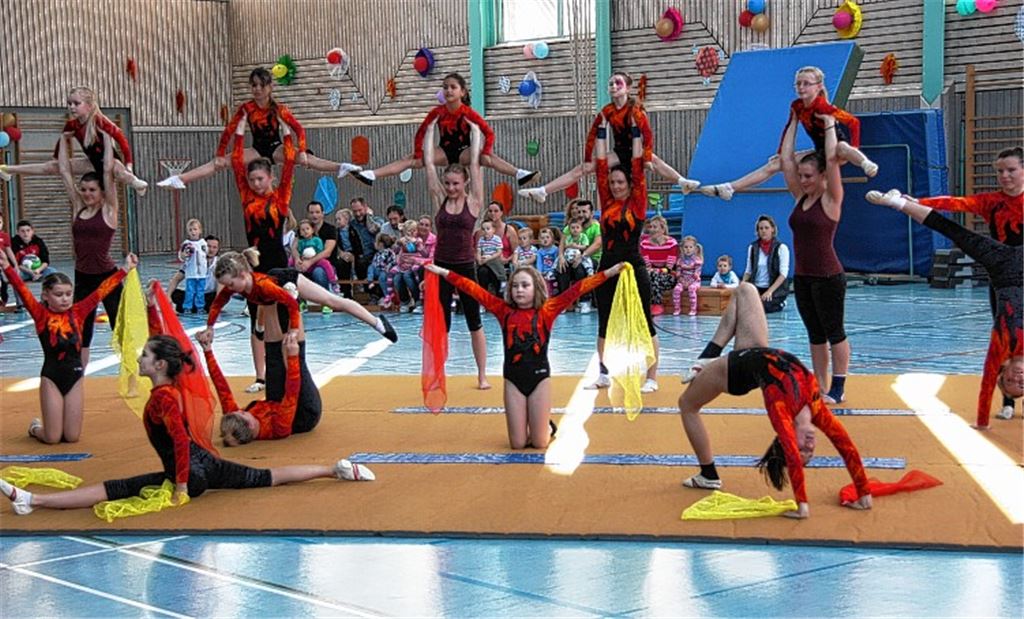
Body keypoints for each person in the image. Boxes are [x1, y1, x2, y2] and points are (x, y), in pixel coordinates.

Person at [0, 333, 374, 517]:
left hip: (191, 471)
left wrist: (179, 487)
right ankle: (336, 469)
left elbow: (179, 441)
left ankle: (34, 501)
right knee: (269, 476)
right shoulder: (170, 387)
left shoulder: (164, 398)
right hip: (203, 466)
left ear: (159, 365)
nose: (140, 358)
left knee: (113, 489)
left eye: (145, 355)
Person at [677, 282, 873, 519]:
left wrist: (802, 506)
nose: (809, 445)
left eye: (802, 449)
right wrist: (864, 493)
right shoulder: (816, 407)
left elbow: (790, 453)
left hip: (733, 372)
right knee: (746, 290)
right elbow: (846, 446)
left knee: (686, 405)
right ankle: (706, 356)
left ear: (788, 436)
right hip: (755, 350)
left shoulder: (780, 408)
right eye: (810, 451)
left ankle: (708, 475)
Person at [867, 189, 1023, 427]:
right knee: (955, 231)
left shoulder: (1001, 345)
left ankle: (899, 203)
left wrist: (982, 421)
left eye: (1012, 381)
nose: (1019, 378)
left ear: (1004, 372)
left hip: (1002, 268)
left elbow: (986, 382)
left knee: (953, 231)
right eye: (1022, 383)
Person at [427, 262, 625, 448]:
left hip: (540, 379)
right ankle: (533, 420)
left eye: (525, 285)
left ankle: (547, 426)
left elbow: (579, 288)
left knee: (540, 443)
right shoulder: (502, 310)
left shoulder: (548, 310)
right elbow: (472, 289)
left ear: (536, 287)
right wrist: (444, 273)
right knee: (518, 444)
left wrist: (609, 273)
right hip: (513, 380)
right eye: (515, 286)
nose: (519, 290)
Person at [916, 146, 1023, 419]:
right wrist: (922, 201)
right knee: (1005, 338)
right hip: (1002, 279)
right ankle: (1008, 401)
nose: (1005, 176)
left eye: (1011, 170)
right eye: (1000, 171)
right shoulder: (992, 202)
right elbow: (957, 203)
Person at [0, 251, 136, 444]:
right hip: (52, 378)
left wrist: (124, 269)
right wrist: (6, 266)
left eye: (68, 294)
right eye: (59, 295)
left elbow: (102, 291)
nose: (65, 299)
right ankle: (35, 427)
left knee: (72, 437)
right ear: (45, 295)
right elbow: (21, 288)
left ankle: (50, 423)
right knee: (52, 437)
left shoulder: (79, 312)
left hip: (75, 377)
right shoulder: (40, 315)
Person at [158, 68, 354, 189]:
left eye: (261, 85)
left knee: (307, 160)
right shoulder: (247, 108)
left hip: (276, 147)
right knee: (220, 164)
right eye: (253, 85)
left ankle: (341, 167)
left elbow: (299, 130)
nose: (257, 89)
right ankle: (180, 179)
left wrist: (302, 151)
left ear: (269, 87)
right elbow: (229, 131)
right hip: (256, 149)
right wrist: (219, 153)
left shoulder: (279, 109)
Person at [519, 71, 698, 204]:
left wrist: (648, 156)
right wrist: (588, 158)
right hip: (619, 152)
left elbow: (648, 135)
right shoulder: (607, 111)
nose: (613, 87)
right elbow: (592, 136)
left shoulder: (636, 110)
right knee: (581, 169)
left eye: (617, 83)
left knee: (656, 162)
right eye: (610, 84)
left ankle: (681, 181)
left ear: (627, 88)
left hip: (636, 150)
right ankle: (543, 191)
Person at [700, 66, 876, 201]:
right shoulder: (797, 106)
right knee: (775, 164)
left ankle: (864, 162)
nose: (801, 87)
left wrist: (856, 148)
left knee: (842, 147)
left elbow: (854, 122)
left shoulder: (824, 107)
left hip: (836, 150)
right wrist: (781, 154)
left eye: (806, 84)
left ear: (818, 86)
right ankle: (730, 187)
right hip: (819, 151)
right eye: (798, 83)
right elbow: (788, 129)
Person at [352, 73, 537, 187]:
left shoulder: (468, 113)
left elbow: (489, 132)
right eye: (445, 87)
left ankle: (519, 174)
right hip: (444, 151)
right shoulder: (438, 112)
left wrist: (486, 151)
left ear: (462, 92)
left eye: (453, 87)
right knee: (409, 159)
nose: (448, 91)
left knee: (488, 158)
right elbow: (421, 132)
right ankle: (372, 175)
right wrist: (418, 153)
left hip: (465, 151)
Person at [780, 107, 849, 405]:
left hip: (829, 277)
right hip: (805, 278)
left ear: (822, 176)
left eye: (809, 176)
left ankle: (838, 387)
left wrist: (830, 125)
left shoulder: (831, 199)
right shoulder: (800, 198)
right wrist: (794, 121)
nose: (803, 180)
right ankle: (820, 385)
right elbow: (785, 161)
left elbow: (833, 160)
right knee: (815, 334)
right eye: (802, 176)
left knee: (834, 332)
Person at [587, 114, 660, 393]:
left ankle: (651, 376)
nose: (616, 186)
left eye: (621, 183)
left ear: (630, 185)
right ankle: (604, 373)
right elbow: (601, 164)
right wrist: (602, 130)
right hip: (607, 267)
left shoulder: (638, 202)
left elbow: (639, 164)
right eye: (613, 183)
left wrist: (635, 127)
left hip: (632, 266)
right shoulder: (606, 202)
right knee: (604, 321)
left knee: (644, 321)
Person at [202, 251, 397, 349]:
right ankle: (261, 326)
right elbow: (218, 303)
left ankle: (378, 323)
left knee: (332, 301)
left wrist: (294, 329)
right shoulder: (236, 286)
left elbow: (292, 305)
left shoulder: (263, 285)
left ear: (243, 275)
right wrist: (210, 326)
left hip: (287, 280)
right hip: (267, 296)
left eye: (230, 284)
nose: (228, 289)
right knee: (263, 303)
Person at [423, 117, 490, 389]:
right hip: (441, 267)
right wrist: (429, 130)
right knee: (442, 324)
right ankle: (438, 373)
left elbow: (474, 165)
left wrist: (475, 134)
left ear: (463, 184)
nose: (451, 188)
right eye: (448, 183)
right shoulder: (439, 199)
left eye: (455, 184)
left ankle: (482, 375)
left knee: (474, 321)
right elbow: (428, 163)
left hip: (465, 266)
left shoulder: (473, 203)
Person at [0, 86, 148, 194]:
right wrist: (56, 159)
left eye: (76, 104)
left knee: (120, 172)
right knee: (48, 167)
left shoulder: (101, 122)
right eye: (69, 103)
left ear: (89, 106)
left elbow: (122, 141)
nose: (71, 107)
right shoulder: (72, 125)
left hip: (109, 162)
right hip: (90, 163)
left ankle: (136, 183)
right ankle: (7, 169)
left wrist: (129, 164)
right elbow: (62, 142)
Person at [58, 129, 124, 369]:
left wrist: (107, 137)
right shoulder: (78, 208)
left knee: (120, 327)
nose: (86, 193)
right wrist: (64, 141)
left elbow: (107, 169)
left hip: (108, 278)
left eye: (92, 190)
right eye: (83, 189)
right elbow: (64, 171)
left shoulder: (109, 211)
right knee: (82, 329)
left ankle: (133, 376)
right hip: (83, 276)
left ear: (101, 193)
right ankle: (79, 375)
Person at [204, 331, 319, 445]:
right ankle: (296, 330)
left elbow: (222, 389)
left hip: (275, 403)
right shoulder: (279, 426)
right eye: (243, 413)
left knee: (273, 352)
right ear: (251, 425)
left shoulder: (237, 418)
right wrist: (293, 356)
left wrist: (207, 351)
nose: (240, 410)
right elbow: (292, 393)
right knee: (295, 355)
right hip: (304, 412)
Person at [742, 215, 790, 314]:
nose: (763, 231)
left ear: (772, 229)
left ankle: (780, 302)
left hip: (774, 289)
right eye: (761, 228)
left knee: (762, 308)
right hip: (757, 287)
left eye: (766, 228)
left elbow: (783, 274)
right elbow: (748, 270)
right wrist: (743, 283)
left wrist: (770, 291)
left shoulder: (781, 248)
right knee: (743, 307)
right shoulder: (753, 247)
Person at [169, 235, 220, 314]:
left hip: (208, 296)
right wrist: (168, 296)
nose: (211, 250)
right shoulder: (192, 262)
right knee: (175, 293)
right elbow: (176, 279)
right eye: (209, 246)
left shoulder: (219, 263)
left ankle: (190, 308)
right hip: (193, 296)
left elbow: (221, 285)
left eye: (214, 247)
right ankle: (194, 307)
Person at [295, 201, 338, 293]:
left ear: (323, 213)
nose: (314, 215)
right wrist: (297, 259)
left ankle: (327, 300)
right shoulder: (303, 228)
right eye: (311, 212)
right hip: (304, 263)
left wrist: (309, 262)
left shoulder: (330, 229)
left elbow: (327, 252)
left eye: (317, 212)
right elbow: (294, 247)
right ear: (308, 214)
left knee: (318, 273)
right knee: (292, 272)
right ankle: (300, 302)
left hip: (325, 264)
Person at [640, 215, 678, 316]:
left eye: (655, 227)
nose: (651, 230)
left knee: (654, 276)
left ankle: (656, 304)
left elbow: (670, 267)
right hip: (651, 274)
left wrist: (658, 271)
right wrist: (653, 271)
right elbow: (647, 265)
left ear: (662, 229)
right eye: (650, 227)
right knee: (650, 276)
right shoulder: (644, 244)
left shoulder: (672, 243)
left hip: (668, 275)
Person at [11, 220, 57, 284]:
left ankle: (37, 276)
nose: (26, 233)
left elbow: (46, 261)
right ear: (18, 232)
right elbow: (15, 264)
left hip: (38, 269)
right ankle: (34, 277)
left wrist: (38, 270)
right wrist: (30, 272)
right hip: (23, 271)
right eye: (22, 231)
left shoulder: (38, 242)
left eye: (28, 230)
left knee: (52, 271)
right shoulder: (14, 243)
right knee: (13, 275)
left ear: (32, 231)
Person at [178, 218, 209, 314]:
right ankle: (187, 307)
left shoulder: (203, 243)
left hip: (202, 274)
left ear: (200, 230)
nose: (193, 232)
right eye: (190, 230)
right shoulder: (186, 244)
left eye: (195, 229)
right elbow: (181, 256)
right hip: (191, 273)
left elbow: (206, 254)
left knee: (200, 292)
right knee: (190, 292)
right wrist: (185, 254)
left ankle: (200, 307)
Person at [393, 220, 424, 313]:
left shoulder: (418, 241)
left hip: (414, 265)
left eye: (414, 230)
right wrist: (398, 244)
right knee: (397, 278)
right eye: (409, 231)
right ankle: (405, 301)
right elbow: (395, 251)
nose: (412, 233)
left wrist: (411, 242)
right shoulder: (403, 240)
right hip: (403, 265)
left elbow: (414, 250)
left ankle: (418, 300)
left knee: (407, 276)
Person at [673, 235, 704, 317]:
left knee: (691, 289)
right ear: (682, 248)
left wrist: (689, 282)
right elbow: (678, 272)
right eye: (686, 247)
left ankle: (693, 309)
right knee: (676, 289)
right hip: (683, 280)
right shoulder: (680, 260)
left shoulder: (697, 260)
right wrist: (681, 279)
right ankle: (677, 308)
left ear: (695, 248)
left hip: (694, 281)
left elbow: (697, 274)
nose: (688, 249)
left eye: (690, 247)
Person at [476, 219, 507, 296]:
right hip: (485, 261)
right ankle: (483, 293)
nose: (486, 231)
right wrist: (479, 259)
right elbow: (479, 251)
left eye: (488, 229)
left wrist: (490, 258)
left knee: (497, 267)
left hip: (494, 259)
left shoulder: (496, 239)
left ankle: (502, 279)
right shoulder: (481, 240)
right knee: (481, 271)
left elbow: (499, 252)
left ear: (493, 230)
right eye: (483, 229)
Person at [367, 233, 397, 307]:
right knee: (370, 267)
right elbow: (374, 262)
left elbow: (394, 261)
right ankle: (370, 281)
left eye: (376, 242)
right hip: (377, 269)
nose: (374, 244)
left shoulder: (390, 252)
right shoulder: (377, 254)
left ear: (381, 244)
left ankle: (387, 295)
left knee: (382, 277)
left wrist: (388, 267)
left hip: (384, 271)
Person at [535, 227, 561, 296]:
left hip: (553, 271)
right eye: (542, 238)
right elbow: (539, 263)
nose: (545, 240)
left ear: (552, 239)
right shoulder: (540, 251)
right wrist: (540, 272)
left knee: (552, 279)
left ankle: (554, 292)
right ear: (539, 240)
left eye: (547, 237)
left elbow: (556, 261)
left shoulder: (556, 249)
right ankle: (544, 294)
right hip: (544, 272)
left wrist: (552, 270)